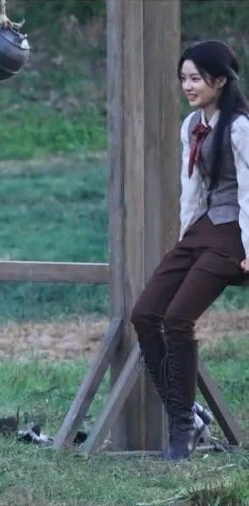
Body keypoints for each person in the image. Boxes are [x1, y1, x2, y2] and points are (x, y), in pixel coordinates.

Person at [131, 40, 249, 461]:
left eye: (196, 78)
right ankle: (187, 415)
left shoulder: (240, 128)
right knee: (144, 314)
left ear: (220, 80)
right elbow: (192, 189)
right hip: (200, 232)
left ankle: (181, 428)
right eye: (183, 78)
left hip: (233, 234)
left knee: (178, 319)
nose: (188, 86)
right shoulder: (191, 125)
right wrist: (185, 241)